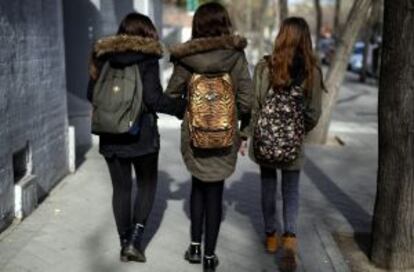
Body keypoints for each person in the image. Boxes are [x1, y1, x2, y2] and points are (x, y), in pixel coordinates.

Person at [87, 12, 186, 263]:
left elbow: (91, 94)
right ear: (147, 33)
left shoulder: (103, 55)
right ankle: (134, 242)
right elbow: (153, 99)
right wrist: (181, 108)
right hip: (141, 134)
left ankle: (123, 243)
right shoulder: (147, 58)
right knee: (147, 185)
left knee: (120, 189)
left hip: (110, 134)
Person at [165, 3, 252, 271]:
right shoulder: (236, 56)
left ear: (198, 25)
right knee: (215, 192)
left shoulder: (186, 58)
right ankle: (210, 257)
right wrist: (238, 127)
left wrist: (191, 114)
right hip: (225, 137)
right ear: (224, 23)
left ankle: (194, 248)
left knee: (198, 187)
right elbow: (248, 101)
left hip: (194, 136)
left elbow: (171, 95)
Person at [248, 17, 323, 271]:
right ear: (306, 39)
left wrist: (252, 133)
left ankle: (271, 237)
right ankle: (289, 240)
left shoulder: (265, 67)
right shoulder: (312, 71)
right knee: (291, 190)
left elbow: (256, 106)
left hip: (266, 141)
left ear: (281, 36)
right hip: (293, 144)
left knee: (268, 186)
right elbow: (313, 113)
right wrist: (298, 131)